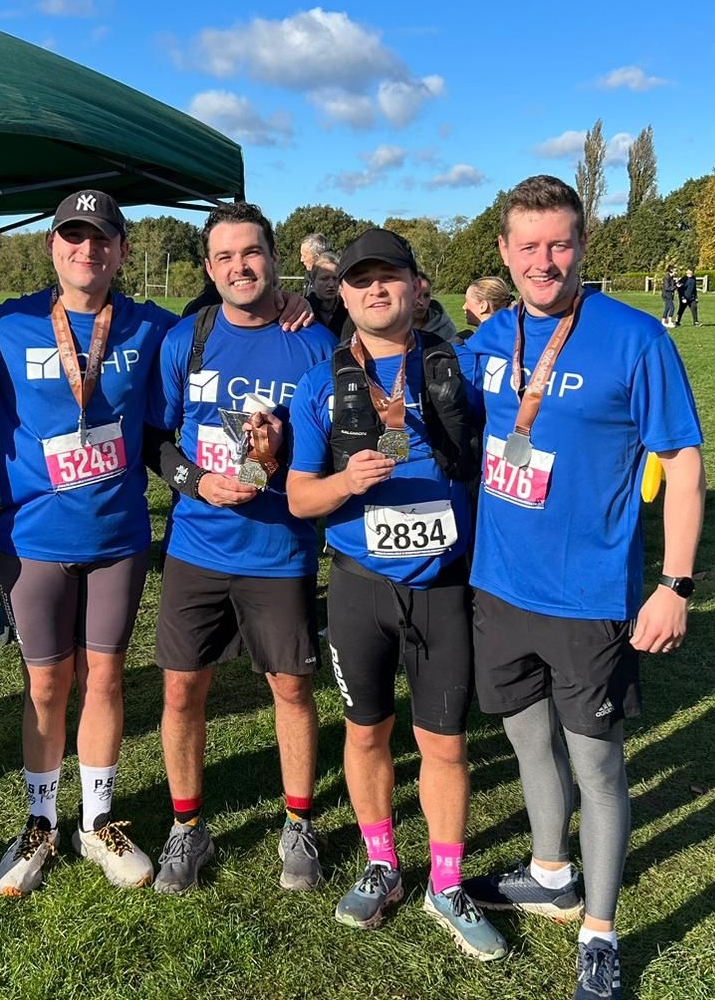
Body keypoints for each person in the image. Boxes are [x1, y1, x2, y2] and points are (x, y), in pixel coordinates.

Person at [0, 191, 316, 898]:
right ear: (52, 247)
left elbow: (236, 320)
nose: (86, 250)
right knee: (45, 683)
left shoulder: (156, 329)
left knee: (103, 679)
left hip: (119, 536)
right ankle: (39, 822)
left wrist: (311, 299)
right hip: (35, 535)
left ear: (122, 251)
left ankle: (98, 820)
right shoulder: (3, 324)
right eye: (72, 237)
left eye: (101, 239)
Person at [460, 175, 704, 1000]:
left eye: (559, 243)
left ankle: (599, 931)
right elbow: (398, 367)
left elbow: (685, 461)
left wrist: (674, 583)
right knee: (529, 745)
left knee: (596, 764)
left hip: (589, 599)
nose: (543, 261)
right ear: (503, 251)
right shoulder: (492, 338)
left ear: (582, 245)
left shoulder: (634, 338)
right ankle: (551, 873)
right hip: (498, 589)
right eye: (527, 245)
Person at [286, 229, 506, 961]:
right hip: (361, 589)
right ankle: (384, 865)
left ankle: (447, 881)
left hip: (444, 587)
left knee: (442, 741)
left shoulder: (462, 365)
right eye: (360, 280)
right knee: (366, 731)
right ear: (340, 294)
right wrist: (345, 483)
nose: (376, 290)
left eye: (390, 277)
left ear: (417, 287)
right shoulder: (321, 380)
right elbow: (296, 496)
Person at [145, 202, 335, 895]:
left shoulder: (314, 342)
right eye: (224, 258)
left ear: (275, 256)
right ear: (208, 269)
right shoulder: (185, 338)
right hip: (197, 546)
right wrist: (197, 483)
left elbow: (343, 444)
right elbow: (153, 442)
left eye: (251, 253)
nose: (239, 267)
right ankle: (187, 828)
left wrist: (281, 460)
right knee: (181, 688)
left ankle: (298, 822)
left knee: (290, 686)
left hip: (280, 548)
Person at [305, 250, 348, 337]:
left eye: (335, 278)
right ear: (313, 280)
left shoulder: (347, 310)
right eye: (324, 279)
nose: (331, 284)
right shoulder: (304, 308)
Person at [413, 271, 459, 342]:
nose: (422, 302)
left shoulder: (445, 329)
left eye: (426, 296)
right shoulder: (392, 327)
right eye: (417, 295)